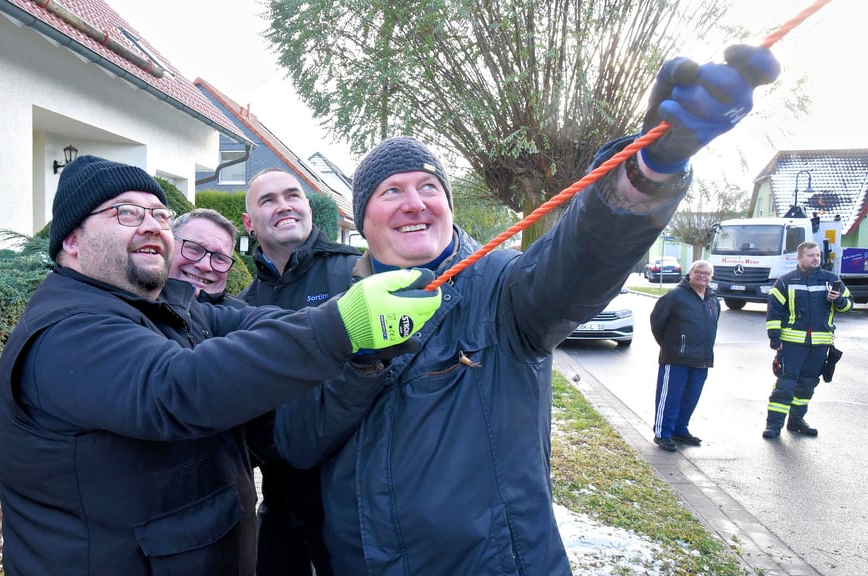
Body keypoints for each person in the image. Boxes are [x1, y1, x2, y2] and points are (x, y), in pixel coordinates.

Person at [273, 45, 780, 574]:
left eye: (429, 186)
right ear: (362, 218)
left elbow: (580, 260)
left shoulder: (503, 289)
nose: (414, 202)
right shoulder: (337, 312)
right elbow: (297, 442)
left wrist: (649, 169)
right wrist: (362, 361)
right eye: (391, 190)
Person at [0, 155, 441, 575]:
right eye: (126, 213)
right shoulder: (67, 329)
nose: (151, 226)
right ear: (72, 239)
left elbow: (259, 321)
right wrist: (341, 328)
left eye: (160, 216)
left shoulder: (168, 306)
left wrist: (356, 327)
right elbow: (178, 388)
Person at [238, 168, 362, 576]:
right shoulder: (240, 306)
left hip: (354, 507)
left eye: (293, 195)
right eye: (267, 200)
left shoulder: (356, 275)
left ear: (308, 207)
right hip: (281, 505)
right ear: (249, 222)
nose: (284, 206)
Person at [762, 241, 852, 439]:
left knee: (808, 385)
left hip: (819, 344)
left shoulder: (831, 280)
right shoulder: (786, 281)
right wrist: (774, 338)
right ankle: (774, 425)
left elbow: (848, 306)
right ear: (800, 258)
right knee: (785, 384)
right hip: (792, 344)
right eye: (811, 255)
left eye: (818, 255)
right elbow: (774, 311)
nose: (815, 259)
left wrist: (838, 299)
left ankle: (796, 421)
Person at [650, 259, 720, 451]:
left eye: (706, 273)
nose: (702, 276)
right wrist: (671, 346)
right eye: (698, 272)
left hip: (702, 358)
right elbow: (657, 323)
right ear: (690, 273)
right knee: (671, 397)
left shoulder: (713, 299)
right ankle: (663, 433)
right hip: (676, 358)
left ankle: (680, 430)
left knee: (690, 397)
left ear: (711, 277)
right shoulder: (675, 296)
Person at [169, 208, 247, 307]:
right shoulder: (143, 305)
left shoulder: (240, 316)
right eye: (194, 249)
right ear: (168, 246)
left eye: (219, 258)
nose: (205, 266)